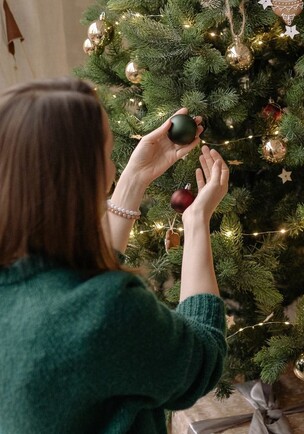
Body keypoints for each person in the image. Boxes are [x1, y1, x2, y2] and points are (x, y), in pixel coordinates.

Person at [0, 77, 229, 433]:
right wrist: (197, 220)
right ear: (82, 178)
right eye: (108, 156)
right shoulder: (108, 309)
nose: (112, 169)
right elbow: (201, 361)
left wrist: (134, 178)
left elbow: (73, 281)